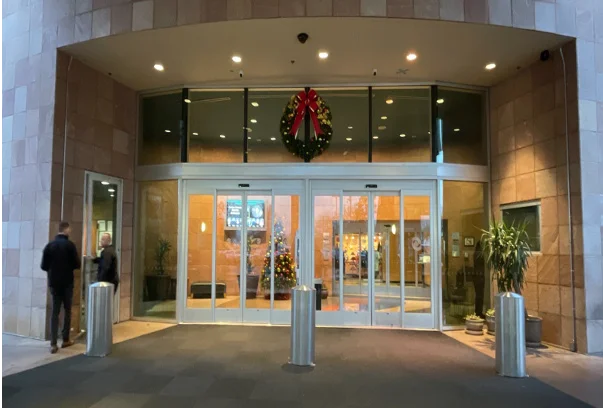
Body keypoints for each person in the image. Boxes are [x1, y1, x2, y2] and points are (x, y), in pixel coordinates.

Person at [41, 222, 81, 354]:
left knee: (55, 312)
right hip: (67, 283)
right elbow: (77, 264)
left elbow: (43, 266)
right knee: (67, 310)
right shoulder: (70, 246)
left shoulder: (49, 246)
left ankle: (53, 343)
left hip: (54, 283)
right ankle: (65, 339)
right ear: (66, 230)